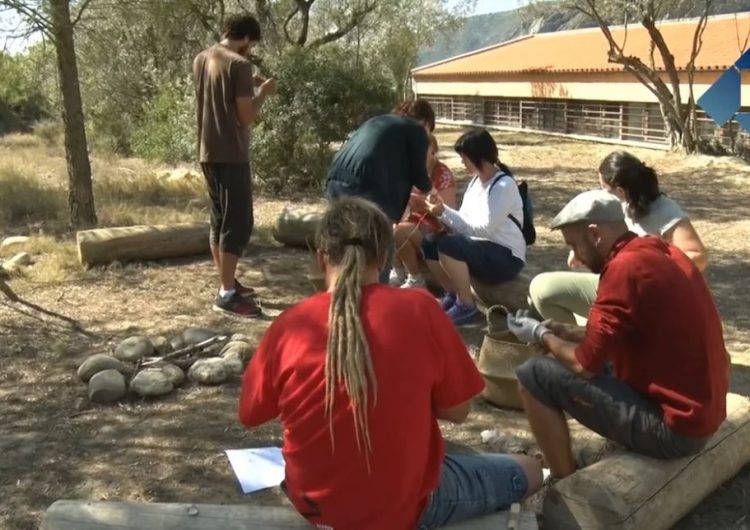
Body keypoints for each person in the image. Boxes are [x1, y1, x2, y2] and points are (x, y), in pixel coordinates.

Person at [239, 197, 542, 530]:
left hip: (315, 506)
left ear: (321, 256)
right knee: (528, 469)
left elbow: (251, 414)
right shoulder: (420, 308)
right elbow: (458, 411)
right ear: (383, 257)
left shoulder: (289, 325)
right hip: (405, 509)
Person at [507, 190, 728, 479]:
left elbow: (584, 365)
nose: (575, 258)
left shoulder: (623, 270)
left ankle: (565, 482)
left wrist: (539, 333)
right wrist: (568, 332)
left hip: (677, 431)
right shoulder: (658, 250)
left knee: (533, 374)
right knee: (563, 357)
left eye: (575, 245)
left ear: (595, 233)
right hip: (703, 412)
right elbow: (627, 335)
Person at [529, 151, 708, 324]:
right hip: (614, 283)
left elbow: (697, 256)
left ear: (621, 191)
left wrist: (649, 275)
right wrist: (580, 252)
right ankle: (589, 338)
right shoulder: (612, 209)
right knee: (541, 293)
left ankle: (586, 346)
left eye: (604, 188)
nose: (600, 192)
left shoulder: (664, 209)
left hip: (642, 293)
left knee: (543, 288)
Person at [193, 14, 277, 318]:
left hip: (208, 150)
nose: (250, 51)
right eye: (251, 45)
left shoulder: (203, 58)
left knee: (219, 220)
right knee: (237, 223)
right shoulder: (240, 65)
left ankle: (227, 282)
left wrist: (246, 85)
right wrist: (262, 93)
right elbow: (245, 116)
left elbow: (219, 94)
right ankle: (226, 294)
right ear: (245, 38)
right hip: (232, 153)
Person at [325, 99, 436, 283]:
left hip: (336, 180)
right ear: (425, 122)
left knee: (344, 243)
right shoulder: (415, 130)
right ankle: (376, 292)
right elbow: (419, 173)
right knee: (380, 243)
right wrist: (431, 192)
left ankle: (339, 289)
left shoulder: (378, 122)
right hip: (366, 186)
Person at [423, 128, 526, 326]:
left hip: (505, 257)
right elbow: (465, 219)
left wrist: (442, 212)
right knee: (430, 243)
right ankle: (453, 293)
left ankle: (466, 306)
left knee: (449, 245)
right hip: (480, 249)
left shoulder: (504, 186)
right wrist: (440, 209)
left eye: (464, 158)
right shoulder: (475, 183)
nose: (463, 163)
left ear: (478, 156)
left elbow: (483, 229)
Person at [390, 133, 457, 289]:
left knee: (400, 231)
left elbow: (449, 215)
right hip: (414, 222)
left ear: (433, 151)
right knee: (389, 224)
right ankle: (398, 271)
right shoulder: (410, 172)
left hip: (437, 231)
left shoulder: (442, 174)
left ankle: (415, 278)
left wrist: (424, 206)